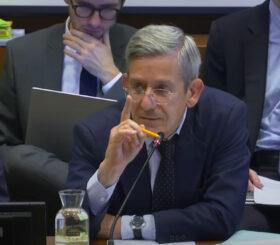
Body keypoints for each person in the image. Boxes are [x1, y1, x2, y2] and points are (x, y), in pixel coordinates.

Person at [66, 24, 250, 243]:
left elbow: (223, 216)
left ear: (192, 92)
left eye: (162, 89)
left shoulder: (224, 120)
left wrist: (127, 226)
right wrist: (108, 172)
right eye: (138, 87)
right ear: (126, 83)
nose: (146, 103)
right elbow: (75, 222)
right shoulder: (95, 133)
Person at [0, 0, 135, 230]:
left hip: (119, 194)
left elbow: (155, 128)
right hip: (44, 193)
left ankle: (90, 189)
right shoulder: (23, 53)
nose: (94, 21)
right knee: (18, 156)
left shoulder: (142, 48)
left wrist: (111, 76)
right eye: (83, 7)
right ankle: (87, 187)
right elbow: (5, 144)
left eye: (107, 10)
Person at [204, 0, 280, 234]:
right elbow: (210, 119)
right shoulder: (229, 32)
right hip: (253, 174)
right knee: (226, 226)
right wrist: (231, 167)